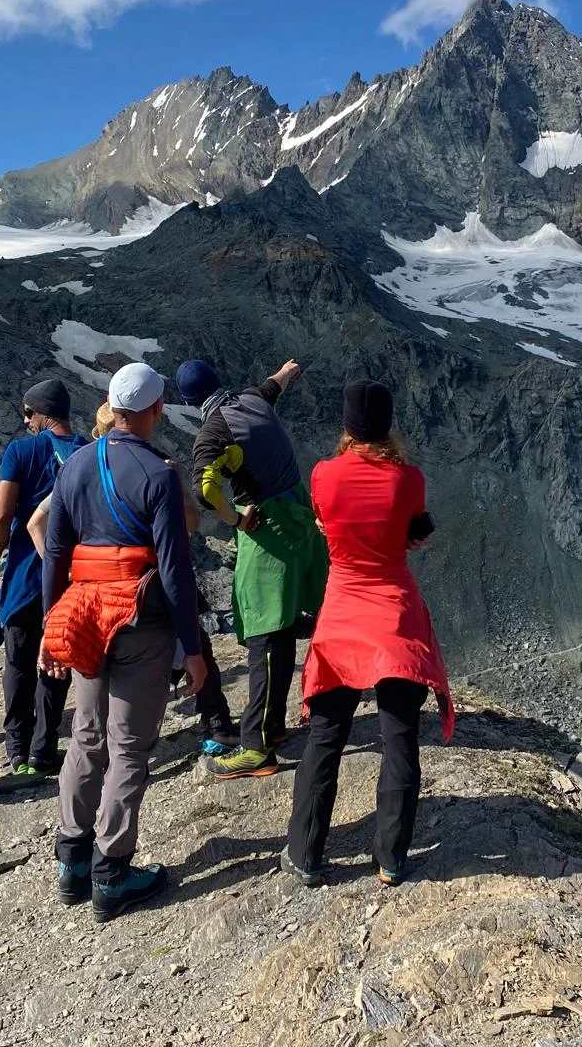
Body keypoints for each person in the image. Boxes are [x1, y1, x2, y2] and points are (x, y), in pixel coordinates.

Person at [40, 363, 207, 922]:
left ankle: (72, 861)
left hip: (86, 614)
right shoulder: (159, 474)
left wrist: (50, 627)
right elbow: (176, 571)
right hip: (143, 622)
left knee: (87, 735)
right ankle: (113, 872)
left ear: (112, 406)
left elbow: (56, 556)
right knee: (129, 747)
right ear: (156, 410)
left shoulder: (74, 467)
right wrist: (194, 648)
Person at [281, 381, 453, 889]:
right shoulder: (409, 479)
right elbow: (411, 533)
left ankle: (306, 855)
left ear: (347, 424)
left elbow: (325, 522)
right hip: (395, 615)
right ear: (388, 423)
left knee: (326, 738)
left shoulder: (323, 476)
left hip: (342, 615)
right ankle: (390, 860)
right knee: (400, 739)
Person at [179, 358, 327, 779]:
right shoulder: (252, 399)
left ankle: (256, 748)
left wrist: (234, 519)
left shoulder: (213, 432)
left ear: (189, 402)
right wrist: (287, 371)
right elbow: (272, 385)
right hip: (299, 517)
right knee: (281, 630)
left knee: (264, 633)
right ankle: (274, 724)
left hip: (269, 528)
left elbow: (205, 488)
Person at [0, 379, 88, 776]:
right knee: (57, 657)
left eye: (28, 413)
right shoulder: (85, 450)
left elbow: (2, 515)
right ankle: (44, 751)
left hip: (26, 573)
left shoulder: (20, 452)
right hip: (70, 577)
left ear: (43, 414)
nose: (25, 420)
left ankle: (17, 749)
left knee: (20, 660)